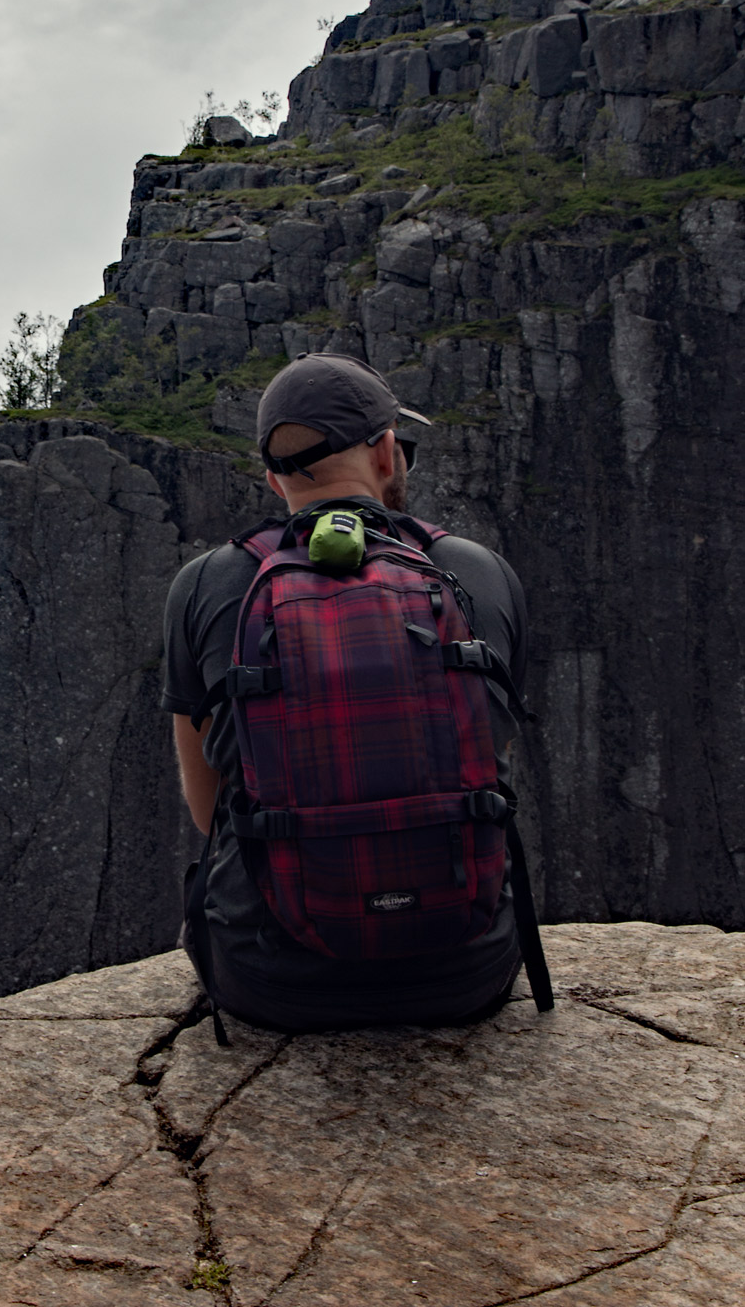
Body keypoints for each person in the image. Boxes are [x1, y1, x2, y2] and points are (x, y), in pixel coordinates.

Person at [161, 352, 530, 1032]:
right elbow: (489, 749)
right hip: (464, 974)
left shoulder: (204, 585)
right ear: (387, 451)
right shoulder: (479, 572)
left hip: (271, 985)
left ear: (274, 479)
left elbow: (206, 809)